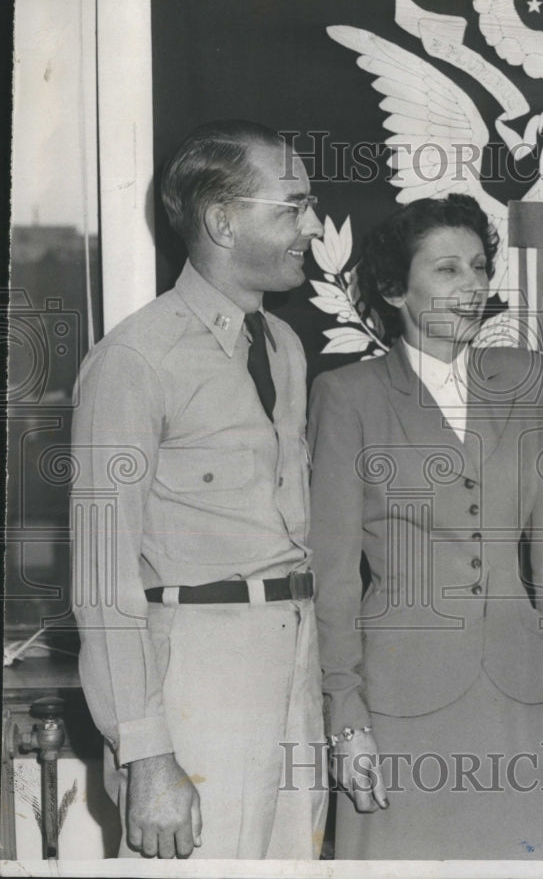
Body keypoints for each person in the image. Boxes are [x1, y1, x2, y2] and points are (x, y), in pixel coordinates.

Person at [308, 193, 543, 859]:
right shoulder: (347, 396)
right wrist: (346, 718)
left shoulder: (531, 380)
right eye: (446, 270)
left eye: (477, 267)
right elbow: (331, 578)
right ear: (392, 288)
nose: (471, 285)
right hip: (397, 703)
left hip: (518, 698)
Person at [71, 120, 327, 859]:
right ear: (221, 219)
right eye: (292, 207)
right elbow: (100, 574)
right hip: (194, 679)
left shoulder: (283, 346)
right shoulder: (135, 360)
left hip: (293, 666)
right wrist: (145, 751)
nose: (312, 226)